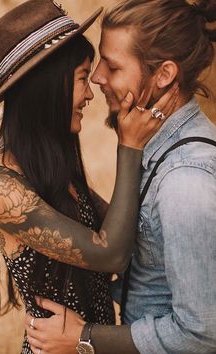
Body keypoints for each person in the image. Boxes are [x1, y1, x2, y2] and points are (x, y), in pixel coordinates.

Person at [0, 1, 177, 354]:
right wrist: (129, 146)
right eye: (83, 78)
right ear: (48, 88)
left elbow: (126, 231)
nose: (90, 94)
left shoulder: (53, 164)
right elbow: (112, 253)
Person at [25, 0, 216, 354]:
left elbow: (201, 333)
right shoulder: (157, 151)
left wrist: (84, 338)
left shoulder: (186, 182)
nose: (97, 77)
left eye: (112, 66)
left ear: (164, 75)